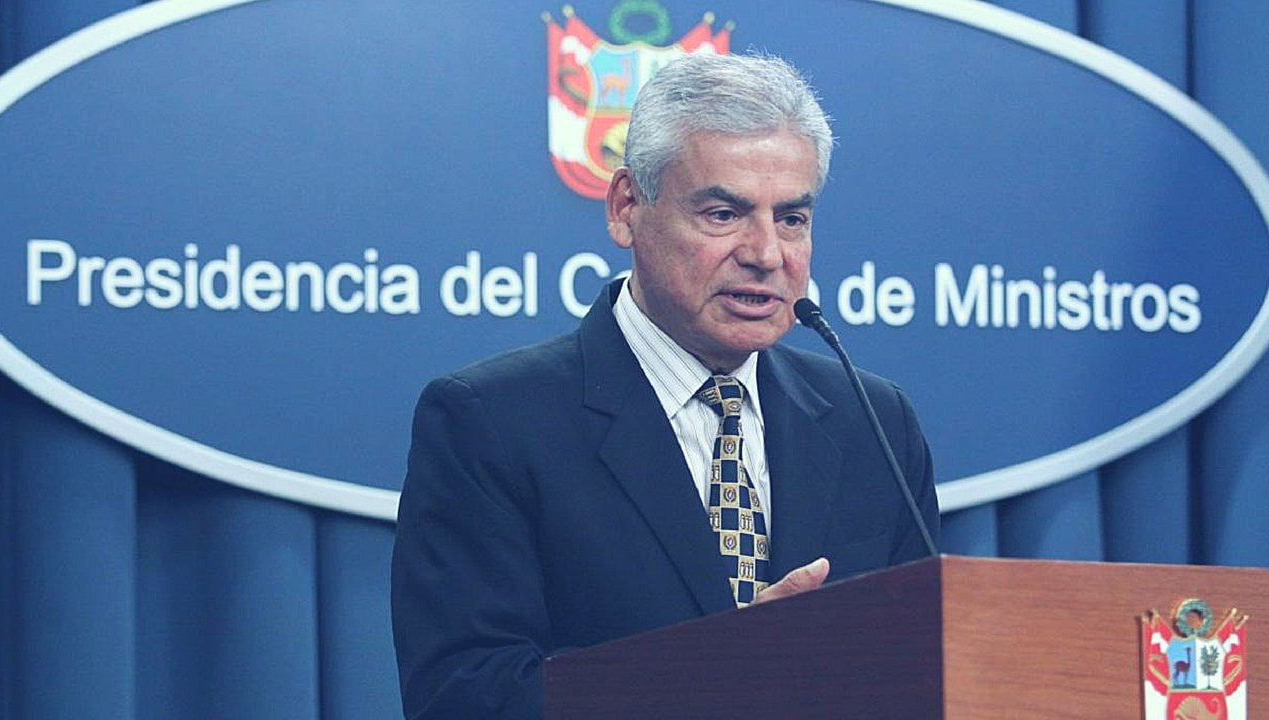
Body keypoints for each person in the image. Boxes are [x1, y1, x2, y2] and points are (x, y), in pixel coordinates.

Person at [390, 52, 939, 719]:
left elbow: (927, 669)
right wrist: (719, 676)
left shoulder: (872, 422)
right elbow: (466, 698)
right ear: (626, 207)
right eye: (723, 214)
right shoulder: (491, 423)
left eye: (792, 219)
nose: (767, 254)